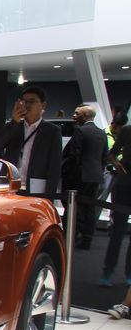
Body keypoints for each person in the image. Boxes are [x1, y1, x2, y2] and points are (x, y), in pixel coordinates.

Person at [0, 86, 62, 199]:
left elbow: (54, 167)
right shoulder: (14, 126)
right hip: (11, 187)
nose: (27, 105)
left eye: (32, 101)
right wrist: (14, 121)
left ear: (43, 105)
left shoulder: (52, 131)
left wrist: (49, 197)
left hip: (37, 190)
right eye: (24, 102)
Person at [62, 104, 108, 248]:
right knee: (90, 207)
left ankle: (72, 236)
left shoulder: (80, 131)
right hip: (95, 176)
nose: (73, 116)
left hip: (79, 176)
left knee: (74, 206)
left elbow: (74, 155)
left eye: (77, 113)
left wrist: (68, 174)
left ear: (85, 116)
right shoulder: (102, 133)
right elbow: (104, 156)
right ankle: (87, 238)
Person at [101, 114, 131, 286]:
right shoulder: (127, 131)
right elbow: (111, 154)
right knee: (117, 232)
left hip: (124, 184)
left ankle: (129, 273)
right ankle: (108, 271)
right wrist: (117, 164)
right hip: (124, 184)